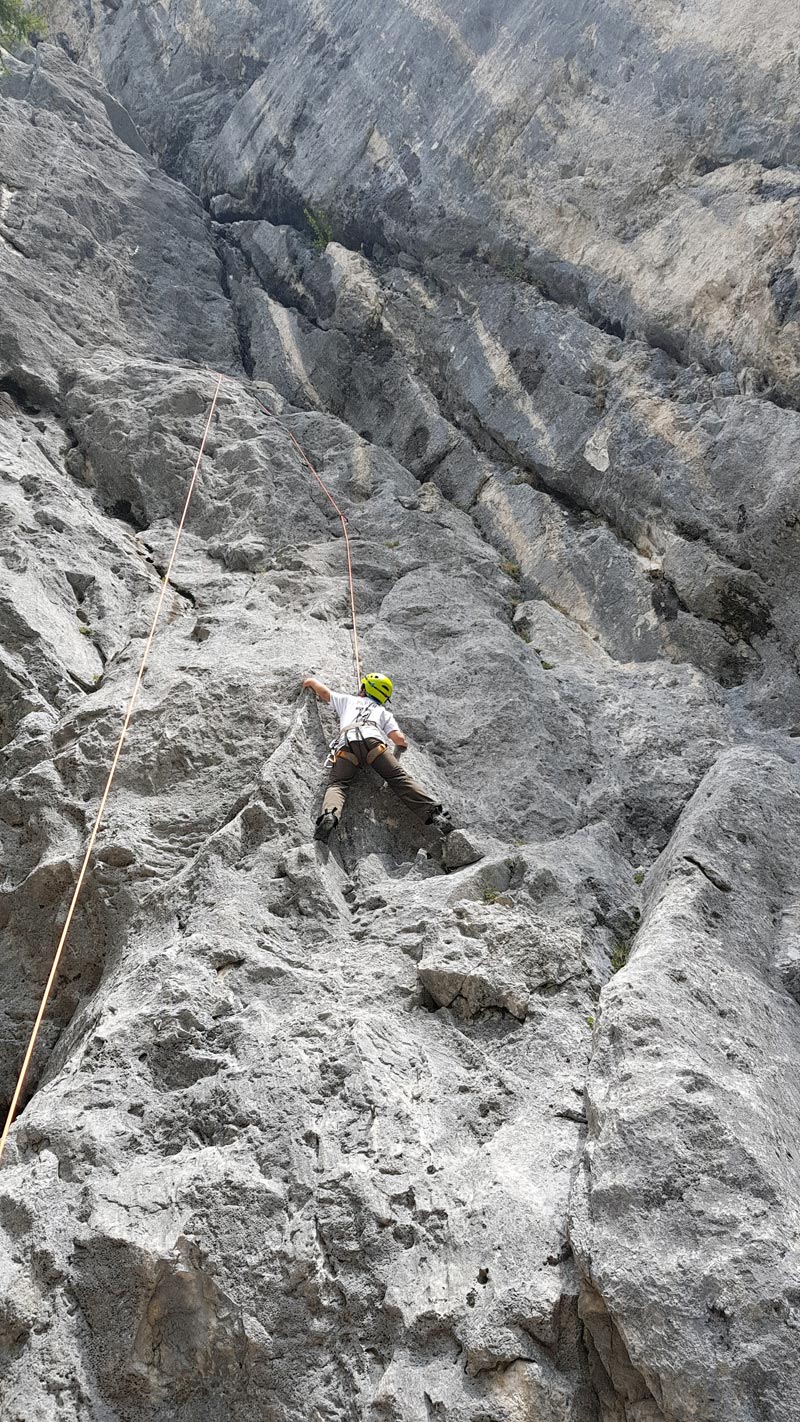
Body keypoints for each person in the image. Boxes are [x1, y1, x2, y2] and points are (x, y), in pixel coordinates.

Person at [302, 670, 454, 843]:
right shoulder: (383, 712)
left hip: (347, 746)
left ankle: (330, 815)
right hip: (374, 745)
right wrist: (402, 745)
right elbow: (399, 739)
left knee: (338, 784)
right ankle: (435, 814)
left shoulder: (348, 700)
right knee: (398, 778)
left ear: (364, 689)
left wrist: (311, 682)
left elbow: (324, 693)